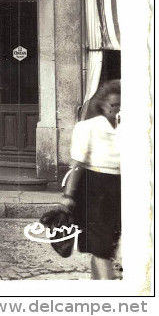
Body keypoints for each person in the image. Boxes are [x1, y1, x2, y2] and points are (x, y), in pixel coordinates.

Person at [59, 79, 122, 280]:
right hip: (96, 187)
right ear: (103, 105)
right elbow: (78, 163)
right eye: (114, 105)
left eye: (122, 105)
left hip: (123, 185)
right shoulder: (87, 127)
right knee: (101, 245)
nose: (118, 110)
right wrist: (68, 194)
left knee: (109, 243)